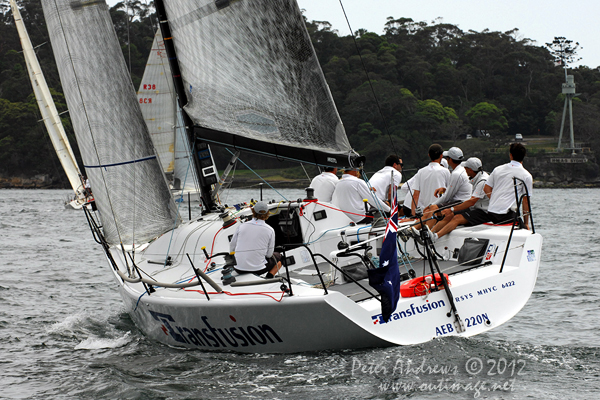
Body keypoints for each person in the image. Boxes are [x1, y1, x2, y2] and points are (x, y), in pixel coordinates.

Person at [434, 143, 533, 240]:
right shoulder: (526, 175)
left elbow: (487, 189)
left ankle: (434, 234)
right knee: (525, 230)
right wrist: (526, 223)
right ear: (524, 156)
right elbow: (525, 201)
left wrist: (495, 200)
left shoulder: (498, 169)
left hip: (491, 211)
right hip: (504, 214)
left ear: (510, 155)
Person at [430, 157, 489, 238]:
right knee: (449, 214)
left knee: (456, 217)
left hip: (484, 212)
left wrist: (452, 209)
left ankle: (435, 236)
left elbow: (471, 202)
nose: (464, 170)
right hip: (475, 208)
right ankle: (431, 233)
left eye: (465, 168)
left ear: (470, 170)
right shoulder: (477, 177)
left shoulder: (482, 181)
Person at [417, 147, 471, 230]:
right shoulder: (460, 170)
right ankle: (415, 229)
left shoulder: (456, 173)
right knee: (432, 209)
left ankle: (426, 231)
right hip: (460, 201)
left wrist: (430, 205)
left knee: (433, 208)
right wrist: (444, 189)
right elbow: (453, 191)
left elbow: (447, 197)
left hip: (461, 203)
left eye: (447, 158)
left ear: (450, 160)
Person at [229, 201, 281, 278]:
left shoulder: (241, 226)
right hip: (258, 269)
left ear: (253, 211)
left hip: (238, 269)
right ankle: (269, 277)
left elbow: (232, 247)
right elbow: (269, 254)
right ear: (267, 213)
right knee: (279, 258)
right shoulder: (270, 230)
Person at [408, 144, 450, 216]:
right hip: (440, 212)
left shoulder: (421, 171)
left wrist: (414, 215)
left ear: (429, 155)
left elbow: (415, 195)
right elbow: (449, 192)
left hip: (425, 213)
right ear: (441, 156)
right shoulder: (445, 171)